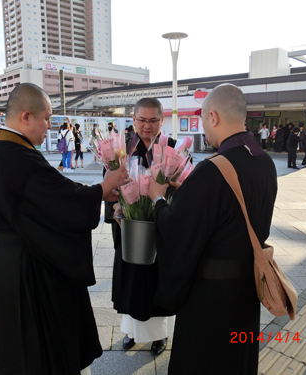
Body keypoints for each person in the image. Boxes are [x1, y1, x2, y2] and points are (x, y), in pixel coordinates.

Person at [0, 83, 128, 375]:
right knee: (38, 351)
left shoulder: (5, 150)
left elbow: (51, 192)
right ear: (26, 117)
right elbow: (59, 200)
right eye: (46, 118)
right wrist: (104, 186)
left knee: (19, 346)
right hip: (27, 269)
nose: (49, 126)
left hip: (9, 262)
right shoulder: (15, 156)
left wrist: (97, 192)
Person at [147, 83, 277, 374]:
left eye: (204, 120)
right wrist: (188, 194)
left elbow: (179, 232)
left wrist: (158, 198)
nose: (204, 128)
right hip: (247, 290)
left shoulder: (212, 169)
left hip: (211, 297)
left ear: (214, 117)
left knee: (205, 361)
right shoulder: (265, 162)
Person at [109, 98, 176, 356]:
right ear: (133, 119)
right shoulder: (122, 149)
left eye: (153, 120)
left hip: (161, 232)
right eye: (142, 120)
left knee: (158, 285)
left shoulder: (172, 148)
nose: (147, 126)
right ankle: (132, 332)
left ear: (162, 120)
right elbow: (110, 187)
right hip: (131, 232)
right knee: (133, 285)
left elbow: (185, 190)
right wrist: (115, 208)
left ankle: (160, 336)